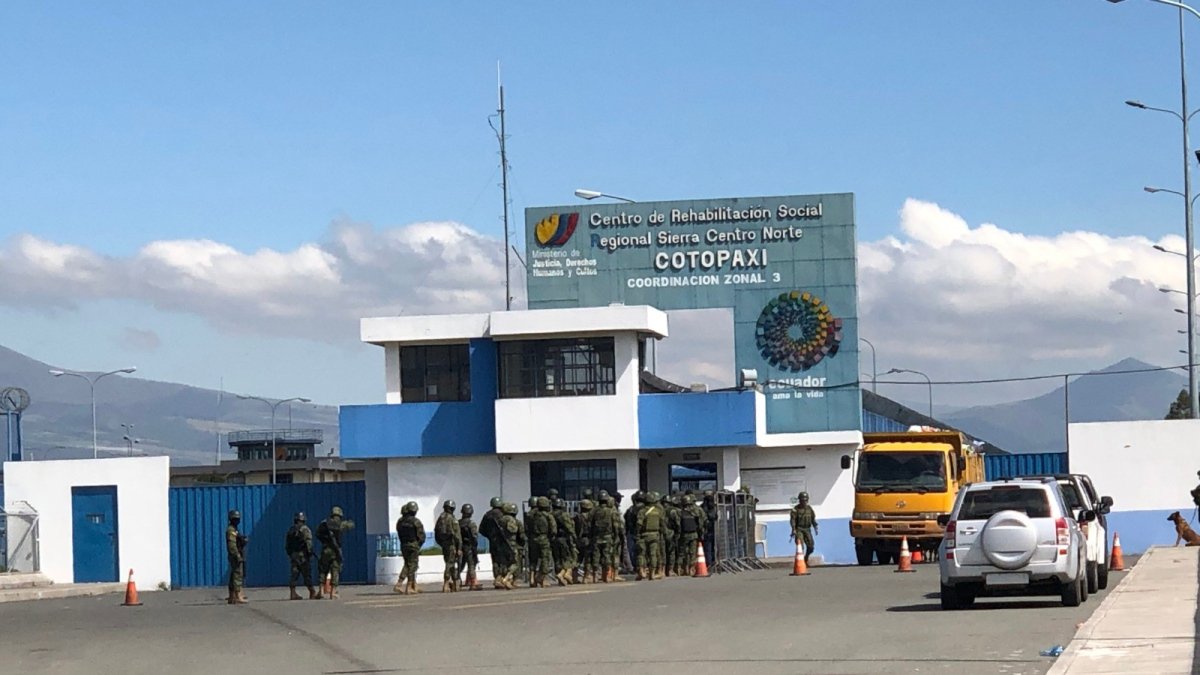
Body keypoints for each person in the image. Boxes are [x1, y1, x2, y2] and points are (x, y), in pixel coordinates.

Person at [316, 506, 353, 599]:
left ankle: (321, 590)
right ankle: (332, 592)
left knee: (323, 570)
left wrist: (324, 541)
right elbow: (351, 525)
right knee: (335, 570)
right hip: (335, 550)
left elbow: (317, 534)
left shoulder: (324, 523)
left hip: (325, 549)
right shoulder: (340, 524)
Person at [394, 501, 425, 595]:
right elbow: (421, 536)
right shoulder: (416, 521)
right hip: (413, 545)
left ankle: (403, 584)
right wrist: (418, 545)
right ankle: (409, 586)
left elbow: (399, 533)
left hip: (404, 545)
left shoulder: (400, 521)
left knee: (407, 564)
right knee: (412, 566)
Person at [285, 511, 315, 600]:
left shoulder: (291, 530)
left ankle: (293, 593)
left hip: (294, 555)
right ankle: (312, 591)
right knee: (306, 573)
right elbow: (309, 542)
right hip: (303, 555)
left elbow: (287, 545)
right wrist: (310, 553)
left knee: (294, 573)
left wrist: (291, 554)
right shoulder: (305, 529)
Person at [590, 494, 621, 583]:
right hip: (608, 537)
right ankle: (606, 576)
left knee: (596, 556)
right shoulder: (611, 511)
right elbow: (615, 525)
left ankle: (595, 576)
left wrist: (592, 535)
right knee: (606, 556)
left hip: (596, 537)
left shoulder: (594, 511)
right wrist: (616, 536)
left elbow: (591, 524)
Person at [528, 496, 557, 587]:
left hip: (532, 539)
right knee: (545, 559)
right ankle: (542, 578)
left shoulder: (530, 515)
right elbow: (553, 530)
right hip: (544, 539)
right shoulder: (548, 516)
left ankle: (531, 578)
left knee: (533, 559)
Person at [435, 500, 462, 592]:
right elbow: (457, 535)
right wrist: (459, 547)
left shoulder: (440, 518)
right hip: (452, 544)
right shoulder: (452, 519)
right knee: (450, 563)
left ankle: (455, 583)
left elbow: (436, 533)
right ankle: (446, 583)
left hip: (444, 544)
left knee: (450, 563)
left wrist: (441, 543)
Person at [677, 495, 708, 576]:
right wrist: (701, 532)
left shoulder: (680, 512)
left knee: (683, 552)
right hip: (694, 534)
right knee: (692, 552)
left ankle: (684, 568)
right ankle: (691, 568)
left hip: (684, 535)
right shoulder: (696, 511)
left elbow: (678, 525)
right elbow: (701, 523)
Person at [637, 492, 665, 580]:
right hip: (655, 535)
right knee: (653, 554)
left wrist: (638, 534)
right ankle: (652, 573)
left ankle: (642, 571)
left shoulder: (642, 511)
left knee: (641, 554)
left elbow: (639, 524)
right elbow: (662, 524)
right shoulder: (658, 511)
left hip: (643, 535)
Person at [495, 502, 521, 590]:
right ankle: (506, 578)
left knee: (504, 563)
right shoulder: (512, 520)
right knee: (515, 563)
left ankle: (502, 578)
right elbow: (514, 531)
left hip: (502, 545)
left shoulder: (500, 520)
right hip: (511, 544)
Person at [552, 498, 576, 586]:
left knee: (557, 559)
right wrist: (574, 537)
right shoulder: (563, 515)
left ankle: (560, 578)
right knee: (568, 558)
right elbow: (569, 527)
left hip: (554, 539)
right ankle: (563, 574)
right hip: (564, 538)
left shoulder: (550, 515)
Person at [789, 491, 819, 565]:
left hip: (807, 529)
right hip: (799, 529)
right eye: (802, 500)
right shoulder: (795, 509)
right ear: (800, 500)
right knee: (800, 546)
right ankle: (801, 563)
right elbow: (792, 520)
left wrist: (815, 526)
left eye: (805, 500)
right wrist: (793, 529)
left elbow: (813, 518)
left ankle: (806, 558)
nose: (804, 502)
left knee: (811, 547)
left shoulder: (809, 509)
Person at [226, 509, 247, 604]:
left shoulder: (235, 529)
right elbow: (232, 545)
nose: (237, 520)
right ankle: (237, 595)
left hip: (237, 553)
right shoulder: (231, 530)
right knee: (238, 574)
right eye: (235, 518)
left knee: (234, 575)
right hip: (235, 554)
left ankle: (232, 596)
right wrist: (237, 555)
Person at [458, 503, 481, 590]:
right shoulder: (471, 524)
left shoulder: (458, 523)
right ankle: (473, 582)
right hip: (469, 546)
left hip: (461, 547)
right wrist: (475, 547)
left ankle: (456, 579)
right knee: (471, 564)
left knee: (461, 564)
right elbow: (474, 537)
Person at [480, 497, 503, 573]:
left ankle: (497, 577)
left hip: (493, 540)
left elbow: (481, 529)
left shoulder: (487, 515)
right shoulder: (503, 514)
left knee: (495, 560)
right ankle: (503, 577)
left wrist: (489, 536)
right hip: (503, 540)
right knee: (504, 559)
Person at [574, 499, 595, 583]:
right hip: (588, 539)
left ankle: (574, 576)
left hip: (579, 539)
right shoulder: (591, 517)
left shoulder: (577, 517)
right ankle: (586, 577)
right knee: (588, 559)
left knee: (578, 559)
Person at [624, 492, 644, 576]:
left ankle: (637, 567)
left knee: (633, 552)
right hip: (641, 533)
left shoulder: (630, 510)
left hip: (632, 533)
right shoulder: (646, 509)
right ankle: (642, 568)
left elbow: (626, 521)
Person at [661, 494, 678, 577]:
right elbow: (677, 523)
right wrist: (678, 532)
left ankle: (662, 571)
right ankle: (670, 570)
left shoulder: (659, 510)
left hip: (661, 533)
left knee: (662, 552)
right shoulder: (673, 511)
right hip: (670, 532)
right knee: (671, 552)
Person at [701, 490, 718, 564]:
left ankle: (709, 563)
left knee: (708, 548)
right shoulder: (715, 506)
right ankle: (713, 562)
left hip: (706, 530)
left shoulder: (703, 507)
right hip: (714, 529)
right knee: (713, 548)